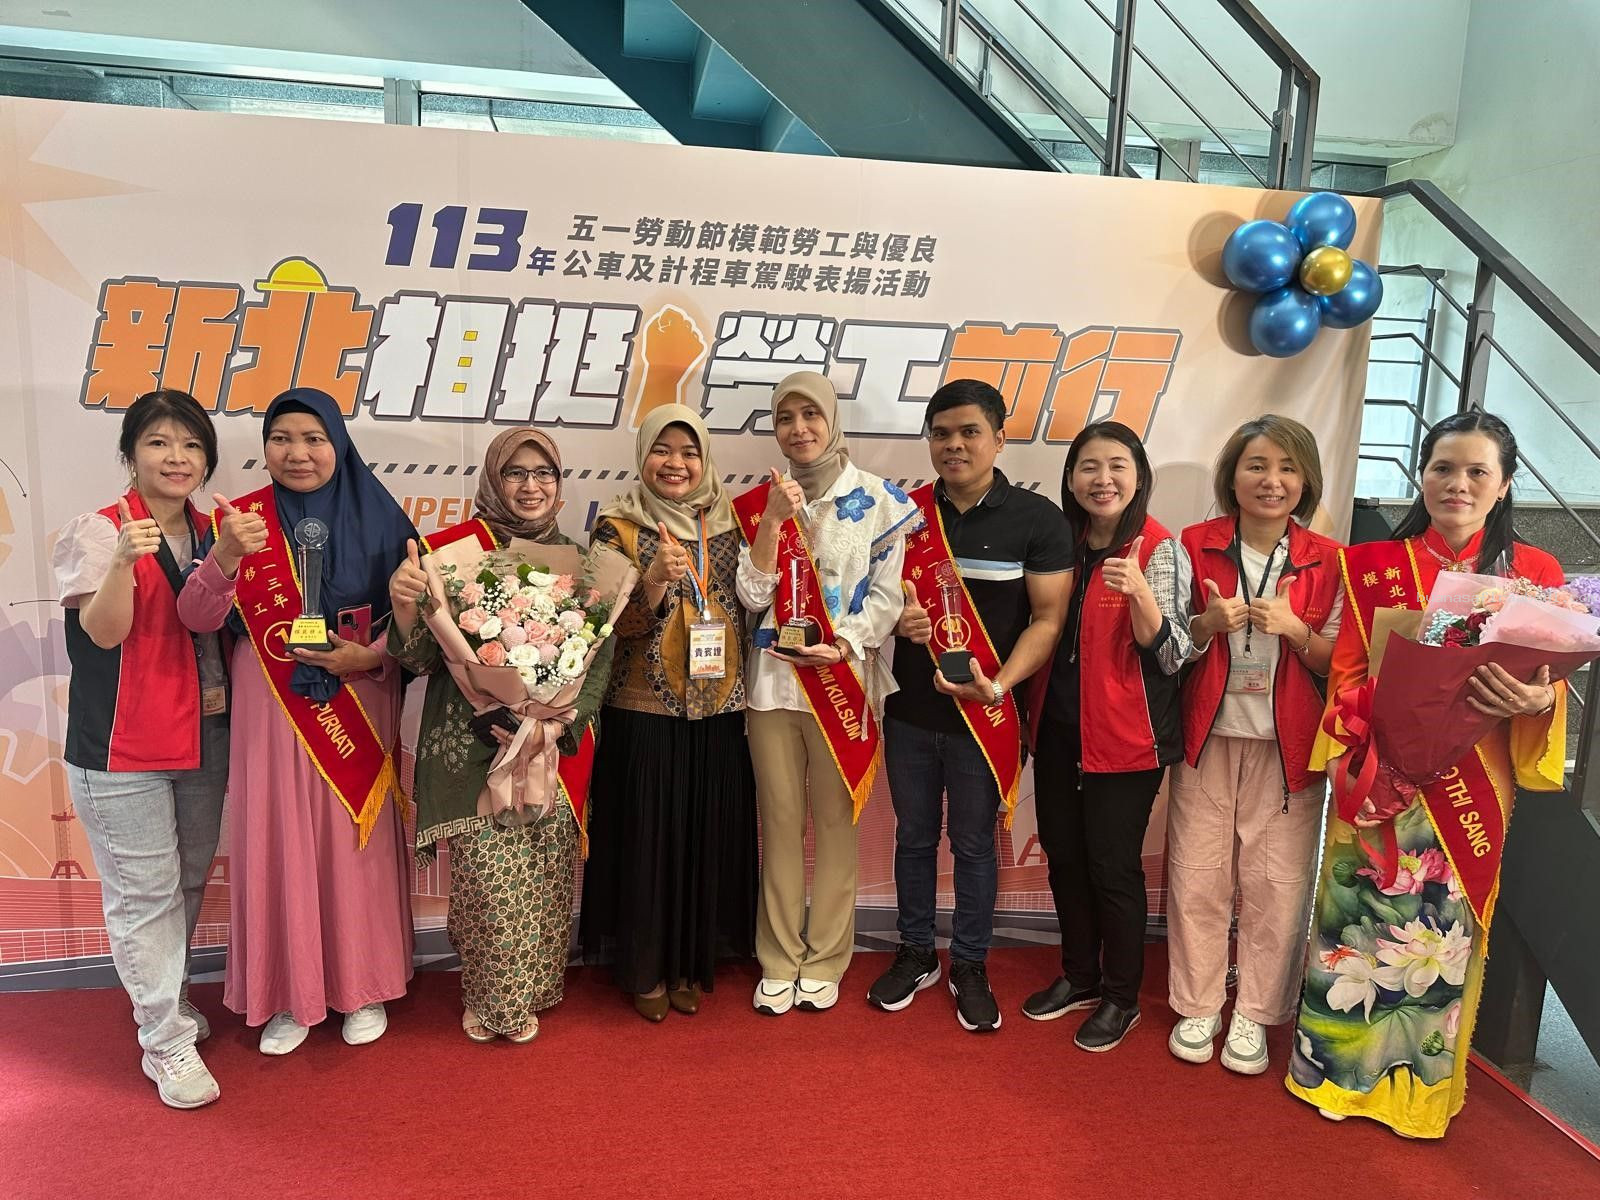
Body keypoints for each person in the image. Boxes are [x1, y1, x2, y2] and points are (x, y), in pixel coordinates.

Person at [1287, 410, 1567, 1139]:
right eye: (1443, 467)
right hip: (1381, 770)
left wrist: (1539, 700)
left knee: (1442, 935)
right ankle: (1337, 1075)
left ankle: (1416, 1094)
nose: (1458, 484)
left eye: (1477, 471)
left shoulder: (1535, 574)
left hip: (1476, 779)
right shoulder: (1371, 562)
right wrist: (1354, 746)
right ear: (1422, 475)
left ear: (1505, 485)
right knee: (1357, 921)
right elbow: (1348, 668)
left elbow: (1548, 683)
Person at [179, 387, 417, 1055]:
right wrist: (225, 556)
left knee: (353, 843)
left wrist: (367, 656)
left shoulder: (382, 516)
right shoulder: (240, 521)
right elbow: (196, 617)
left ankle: (363, 985)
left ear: (338, 442)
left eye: (314, 438)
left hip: (359, 695)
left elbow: (420, 627)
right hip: (269, 698)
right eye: (281, 438)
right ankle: (287, 992)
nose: (297, 452)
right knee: (276, 837)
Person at [55, 389, 264, 1109]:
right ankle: (166, 1042)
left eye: (191, 445)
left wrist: (231, 554)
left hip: (204, 738)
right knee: (144, 896)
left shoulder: (218, 531)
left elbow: (217, 621)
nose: (177, 458)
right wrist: (121, 562)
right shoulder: (98, 530)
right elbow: (103, 634)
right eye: (159, 443)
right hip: (121, 748)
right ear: (130, 453)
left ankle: (164, 1001)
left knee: (185, 885)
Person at [388, 429, 613, 1043]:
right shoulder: (451, 554)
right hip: (475, 745)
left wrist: (556, 721)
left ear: (559, 484)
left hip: (553, 747)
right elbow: (418, 658)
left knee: (545, 874)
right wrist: (405, 606)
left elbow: (600, 659)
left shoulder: (584, 563)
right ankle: (493, 998)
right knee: (487, 880)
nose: (530, 486)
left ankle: (533, 987)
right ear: (493, 479)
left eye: (543, 473)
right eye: (515, 473)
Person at [868, 379, 1074, 1033]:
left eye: (968, 432)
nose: (953, 445)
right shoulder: (901, 513)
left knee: (976, 846)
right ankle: (914, 953)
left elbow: (1048, 619)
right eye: (941, 433)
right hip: (909, 713)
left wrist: (1000, 684)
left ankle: (970, 964)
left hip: (986, 717)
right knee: (913, 838)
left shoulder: (1038, 520)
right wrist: (896, 617)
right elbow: (868, 599)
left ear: (999, 439)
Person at [733, 371, 920, 1016]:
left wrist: (840, 644)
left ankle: (826, 957)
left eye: (810, 414)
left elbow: (888, 600)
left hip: (842, 683)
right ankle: (779, 956)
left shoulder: (881, 500)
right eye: (785, 418)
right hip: (771, 688)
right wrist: (773, 522)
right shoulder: (760, 504)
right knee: (781, 824)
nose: (799, 429)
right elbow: (752, 595)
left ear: (832, 419)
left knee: (838, 825)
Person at [1166, 416, 1343, 1074]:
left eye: (1287, 468)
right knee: (1197, 876)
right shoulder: (1195, 543)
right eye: (1257, 465)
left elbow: (1339, 663)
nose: (1272, 481)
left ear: (1306, 481)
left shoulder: (1331, 558)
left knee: (1277, 883)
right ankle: (1198, 1004)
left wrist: (1296, 630)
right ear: (1233, 476)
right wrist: (1206, 623)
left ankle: (1256, 1012)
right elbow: (1169, 643)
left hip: (1288, 745)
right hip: (1208, 737)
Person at [579, 404, 757, 1021]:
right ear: (643, 455)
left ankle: (689, 962)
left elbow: (756, 601)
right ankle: (645, 968)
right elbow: (604, 625)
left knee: (703, 836)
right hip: (643, 711)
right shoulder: (617, 527)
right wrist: (653, 579)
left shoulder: (733, 524)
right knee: (647, 840)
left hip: (719, 711)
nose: (675, 463)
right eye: (662, 449)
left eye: (689, 452)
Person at [1022, 419, 1193, 1052]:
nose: (1103, 479)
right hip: (1057, 729)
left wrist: (1142, 596)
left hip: (1127, 739)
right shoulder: (1059, 541)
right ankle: (1080, 976)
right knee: (1064, 855)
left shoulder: (1159, 549)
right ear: (1070, 478)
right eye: (1089, 466)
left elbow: (1175, 654)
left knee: (1112, 867)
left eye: (1118, 466)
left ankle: (1122, 996)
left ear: (1139, 477)